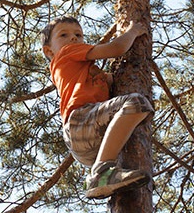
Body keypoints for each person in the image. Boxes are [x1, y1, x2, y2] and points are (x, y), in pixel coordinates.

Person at [41, 16, 154, 199]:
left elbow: (107, 81)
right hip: (81, 120)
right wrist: (132, 31)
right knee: (136, 103)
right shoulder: (66, 53)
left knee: (130, 114)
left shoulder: (82, 69)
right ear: (49, 51)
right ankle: (101, 171)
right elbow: (117, 48)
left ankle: (104, 174)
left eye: (78, 34)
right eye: (64, 35)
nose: (73, 38)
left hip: (88, 142)